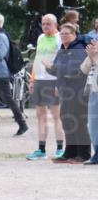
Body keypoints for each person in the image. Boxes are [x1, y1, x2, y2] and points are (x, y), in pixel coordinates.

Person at [45, 22, 91, 163]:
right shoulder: (62, 50)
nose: (64, 36)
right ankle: (70, 152)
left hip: (78, 92)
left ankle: (84, 154)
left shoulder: (78, 49)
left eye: (67, 33)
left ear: (74, 35)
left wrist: (55, 66)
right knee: (67, 122)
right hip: (66, 92)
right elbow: (57, 71)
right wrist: (49, 68)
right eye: (62, 33)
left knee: (79, 122)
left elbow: (75, 70)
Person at [26, 14, 65, 160]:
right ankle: (41, 149)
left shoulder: (60, 38)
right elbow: (37, 58)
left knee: (56, 116)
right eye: (43, 23)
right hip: (40, 80)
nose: (45, 26)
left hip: (53, 80)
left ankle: (60, 148)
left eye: (48, 23)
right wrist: (32, 79)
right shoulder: (41, 38)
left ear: (55, 24)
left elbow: (63, 61)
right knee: (40, 116)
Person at [0, 13, 29, 136]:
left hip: (0, 73)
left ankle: (23, 124)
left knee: (7, 99)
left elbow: (0, 54)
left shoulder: (1, 36)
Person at [81, 41, 98, 165]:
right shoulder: (94, 52)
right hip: (93, 91)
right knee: (92, 125)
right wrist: (90, 57)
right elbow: (84, 69)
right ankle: (96, 153)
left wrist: (93, 58)